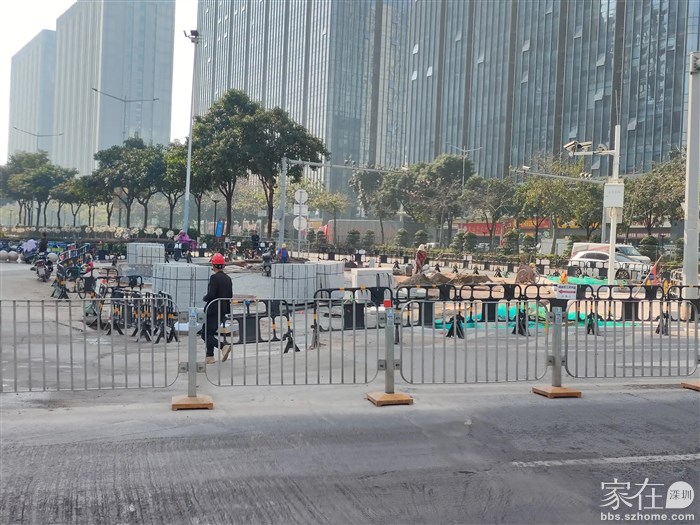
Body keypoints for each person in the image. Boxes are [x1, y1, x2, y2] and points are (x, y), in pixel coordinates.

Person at [201, 253, 233, 364]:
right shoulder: (228, 278)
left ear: (214, 265)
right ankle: (210, 357)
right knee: (209, 333)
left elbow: (211, 294)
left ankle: (223, 346)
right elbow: (230, 295)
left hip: (213, 309)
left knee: (205, 334)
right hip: (223, 310)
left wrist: (204, 298)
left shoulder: (214, 278)